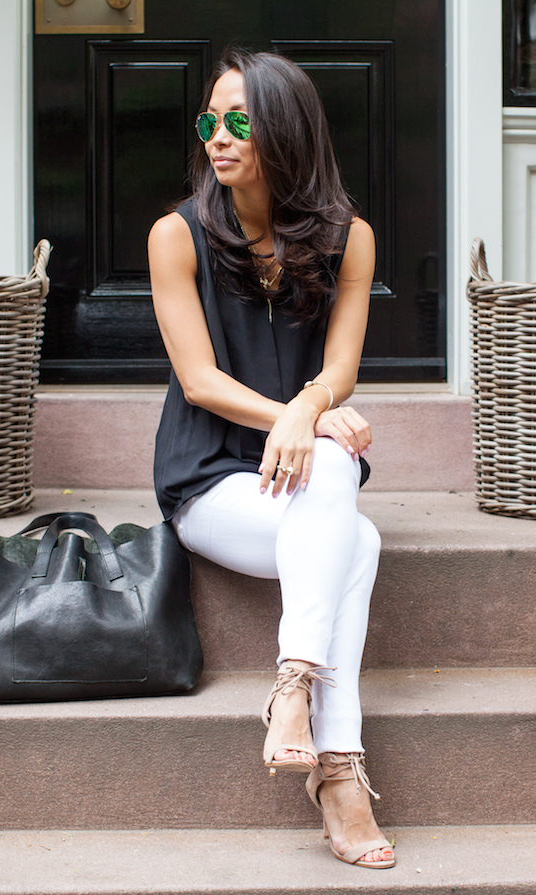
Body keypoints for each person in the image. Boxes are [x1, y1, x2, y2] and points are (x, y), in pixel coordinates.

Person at [148, 48, 394, 870]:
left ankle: (304, 704)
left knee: (352, 524)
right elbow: (199, 379)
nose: (218, 137)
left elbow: (342, 369)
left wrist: (309, 409)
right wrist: (300, 416)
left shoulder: (346, 239)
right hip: (212, 480)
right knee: (351, 527)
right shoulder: (175, 236)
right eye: (209, 121)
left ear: (283, 130)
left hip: (305, 478)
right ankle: (339, 765)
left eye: (238, 121)